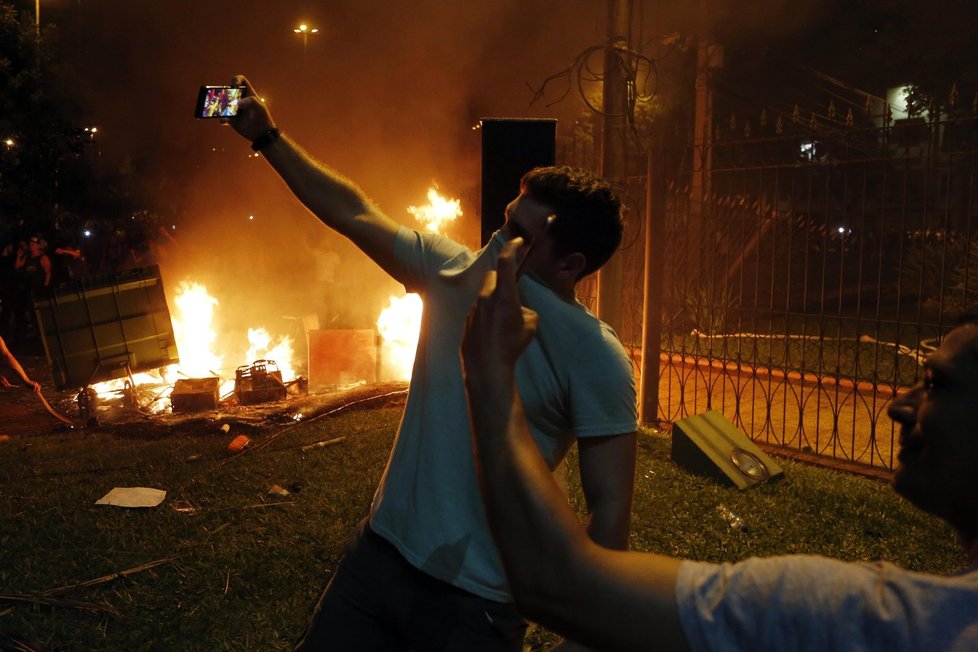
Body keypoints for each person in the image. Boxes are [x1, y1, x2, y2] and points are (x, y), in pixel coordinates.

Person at [225, 75, 638, 651]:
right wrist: (267, 136)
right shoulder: (455, 274)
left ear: (570, 264)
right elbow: (353, 211)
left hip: (478, 601)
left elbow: (610, 510)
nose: (499, 237)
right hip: (379, 556)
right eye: (505, 218)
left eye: (520, 234)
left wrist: (584, 635)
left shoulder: (596, 356)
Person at [460, 240, 978, 651]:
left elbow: (559, 582)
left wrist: (490, 375)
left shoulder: (863, 618)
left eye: (938, 385)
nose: (899, 405)